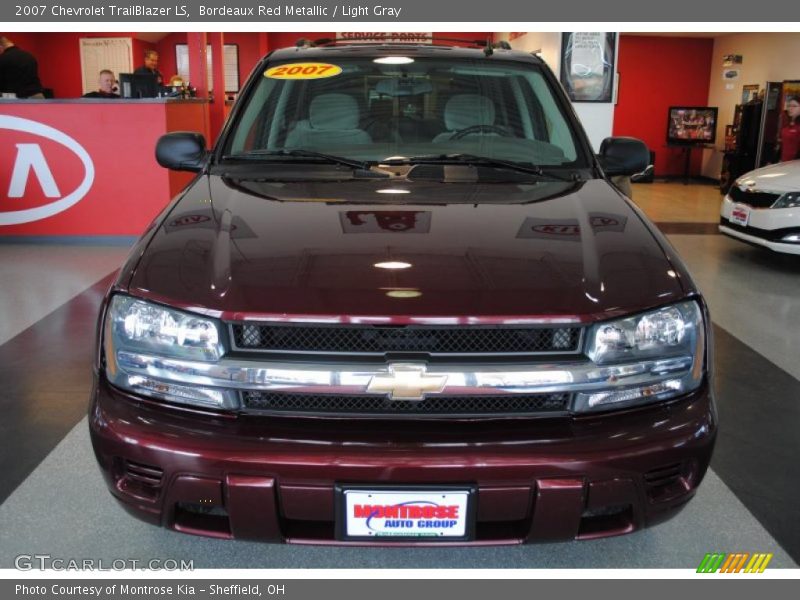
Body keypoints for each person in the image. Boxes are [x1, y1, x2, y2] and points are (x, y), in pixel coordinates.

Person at [0, 34, 45, 98]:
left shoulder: (3, 59)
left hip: (15, 98)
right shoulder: (29, 56)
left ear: (1, 47)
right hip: (37, 96)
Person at [778, 95, 800, 162]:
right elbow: (782, 145)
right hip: (783, 162)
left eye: (794, 106)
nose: (790, 108)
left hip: (794, 165)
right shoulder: (787, 124)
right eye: (789, 106)